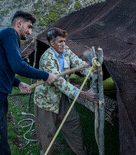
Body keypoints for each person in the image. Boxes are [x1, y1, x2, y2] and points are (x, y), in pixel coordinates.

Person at [0, 11, 58, 155]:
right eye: (29, 27)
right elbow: (18, 65)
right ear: (19, 23)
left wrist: (19, 83)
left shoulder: (9, 37)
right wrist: (45, 75)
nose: (30, 32)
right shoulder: (10, 34)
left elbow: (5, 68)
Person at [34, 27, 99, 155]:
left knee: (73, 123)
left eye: (64, 41)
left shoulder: (66, 51)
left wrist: (92, 73)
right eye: (60, 42)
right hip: (47, 100)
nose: (63, 44)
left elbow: (79, 64)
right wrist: (83, 94)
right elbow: (60, 83)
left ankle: (81, 152)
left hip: (63, 97)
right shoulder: (47, 59)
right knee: (48, 133)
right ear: (52, 43)